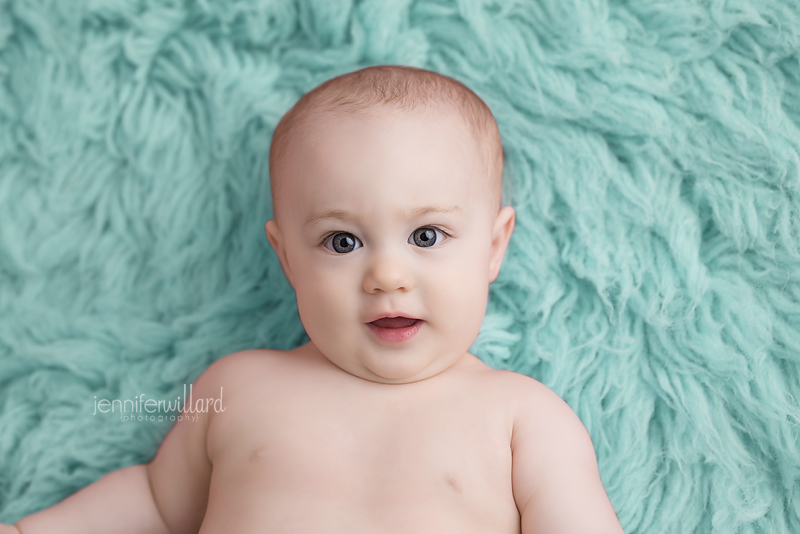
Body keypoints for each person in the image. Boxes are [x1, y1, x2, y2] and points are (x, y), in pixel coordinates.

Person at [3, 65, 625, 533]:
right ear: (287, 258)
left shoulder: (521, 418)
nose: (387, 275)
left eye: (426, 236)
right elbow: (157, 503)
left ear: (493, 247)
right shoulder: (237, 387)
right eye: (342, 239)